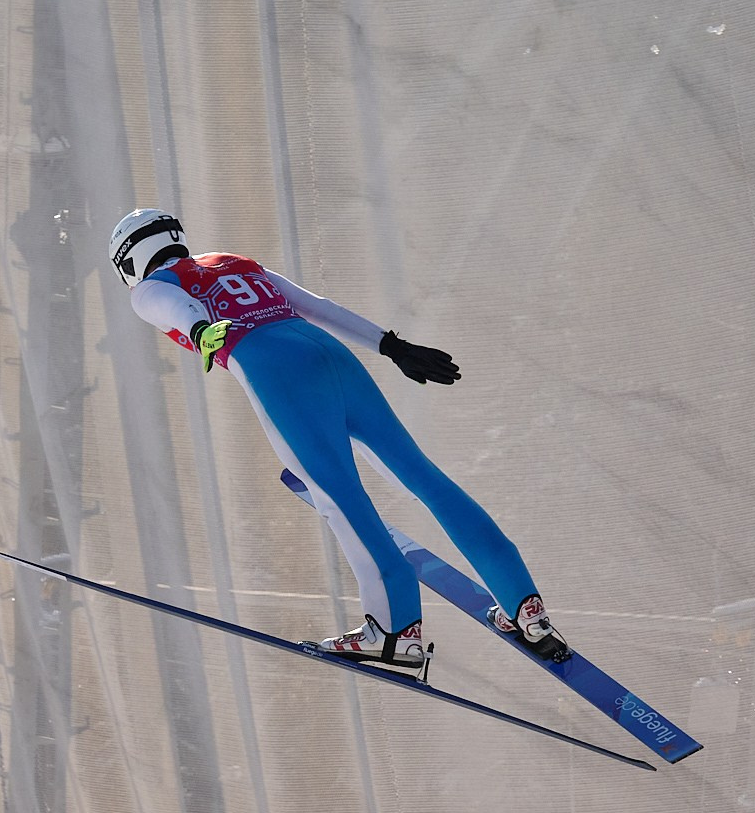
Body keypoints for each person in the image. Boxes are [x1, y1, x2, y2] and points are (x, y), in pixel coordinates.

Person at [108, 208, 568, 678]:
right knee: (424, 479)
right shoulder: (232, 261)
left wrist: (202, 330)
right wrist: (392, 346)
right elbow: (316, 306)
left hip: (276, 369)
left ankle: (394, 630)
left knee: (339, 497)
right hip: (332, 354)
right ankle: (524, 606)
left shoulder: (148, 289)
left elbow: (172, 307)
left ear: (129, 261)